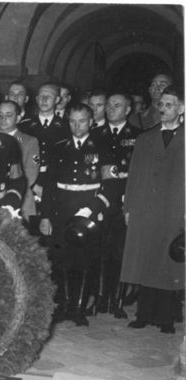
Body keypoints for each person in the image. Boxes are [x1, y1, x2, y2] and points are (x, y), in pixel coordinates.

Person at [39, 103, 111, 326]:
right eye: (72, 121)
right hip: (62, 210)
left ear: (91, 121)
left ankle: (79, 308)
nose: (76, 126)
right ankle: (64, 305)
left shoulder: (103, 146)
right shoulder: (58, 146)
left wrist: (93, 209)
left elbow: (111, 184)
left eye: (81, 121)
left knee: (85, 261)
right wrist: (45, 215)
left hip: (88, 211)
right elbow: (49, 185)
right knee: (61, 260)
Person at [121, 85, 184, 334]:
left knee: (168, 264)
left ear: (182, 108)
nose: (163, 109)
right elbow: (134, 176)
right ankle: (143, 314)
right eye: (161, 104)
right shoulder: (146, 138)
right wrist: (129, 207)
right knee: (146, 261)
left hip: (174, 209)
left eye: (169, 104)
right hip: (146, 207)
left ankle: (166, 318)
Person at [91, 93, 141, 317]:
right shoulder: (94, 134)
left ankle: (117, 301)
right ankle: (99, 299)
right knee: (100, 251)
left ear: (128, 109)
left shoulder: (138, 137)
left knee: (120, 253)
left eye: (117, 105)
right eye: (109, 105)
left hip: (124, 202)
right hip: (100, 201)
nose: (111, 109)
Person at [19, 83, 70, 232]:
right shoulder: (24, 125)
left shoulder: (66, 127)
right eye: (41, 96)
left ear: (57, 99)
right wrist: (33, 186)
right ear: (36, 98)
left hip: (55, 185)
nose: (44, 99)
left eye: (49, 96)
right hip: (29, 184)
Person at [0, 100, 40, 224]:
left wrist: (9, 194)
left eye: (9, 115)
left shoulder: (29, 142)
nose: (3, 118)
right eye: (0, 114)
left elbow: (30, 174)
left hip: (20, 199)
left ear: (19, 117)